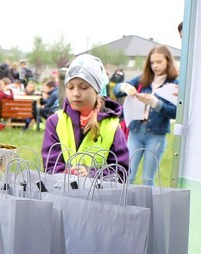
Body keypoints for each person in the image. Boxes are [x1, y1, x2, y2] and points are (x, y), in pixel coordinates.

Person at [41, 53, 129, 175]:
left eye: (83, 87)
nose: (76, 93)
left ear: (96, 90)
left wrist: (92, 174)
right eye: (70, 87)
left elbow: (121, 172)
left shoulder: (112, 127)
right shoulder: (55, 122)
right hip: (61, 192)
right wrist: (68, 174)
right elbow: (50, 167)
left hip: (98, 193)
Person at [116, 46, 179, 185]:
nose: (155, 66)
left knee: (147, 179)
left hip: (156, 135)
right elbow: (117, 89)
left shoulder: (175, 84)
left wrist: (155, 103)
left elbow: (175, 111)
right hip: (136, 133)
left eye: (159, 62)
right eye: (152, 62)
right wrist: (126, 88)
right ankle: (122, 206)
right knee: (127, 175)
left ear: (168, 61)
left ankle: (147, 207)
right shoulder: (143, 80)